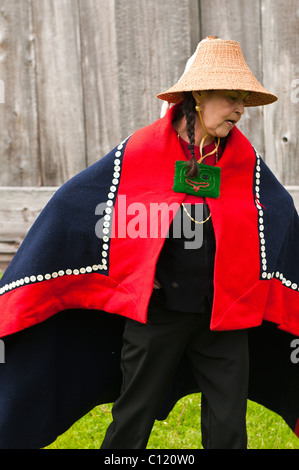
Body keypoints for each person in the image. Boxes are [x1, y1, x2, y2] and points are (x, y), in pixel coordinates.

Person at [0, 37, 299, 450]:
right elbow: (79, 199)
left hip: (225, 318)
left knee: (230, 425)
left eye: (243, 99)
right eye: (232, 98)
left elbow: (278, 215)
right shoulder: (142, 151)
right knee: (132, 417)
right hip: (157, 316)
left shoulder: (243, 161)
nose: (240, 109)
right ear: (198, 96)